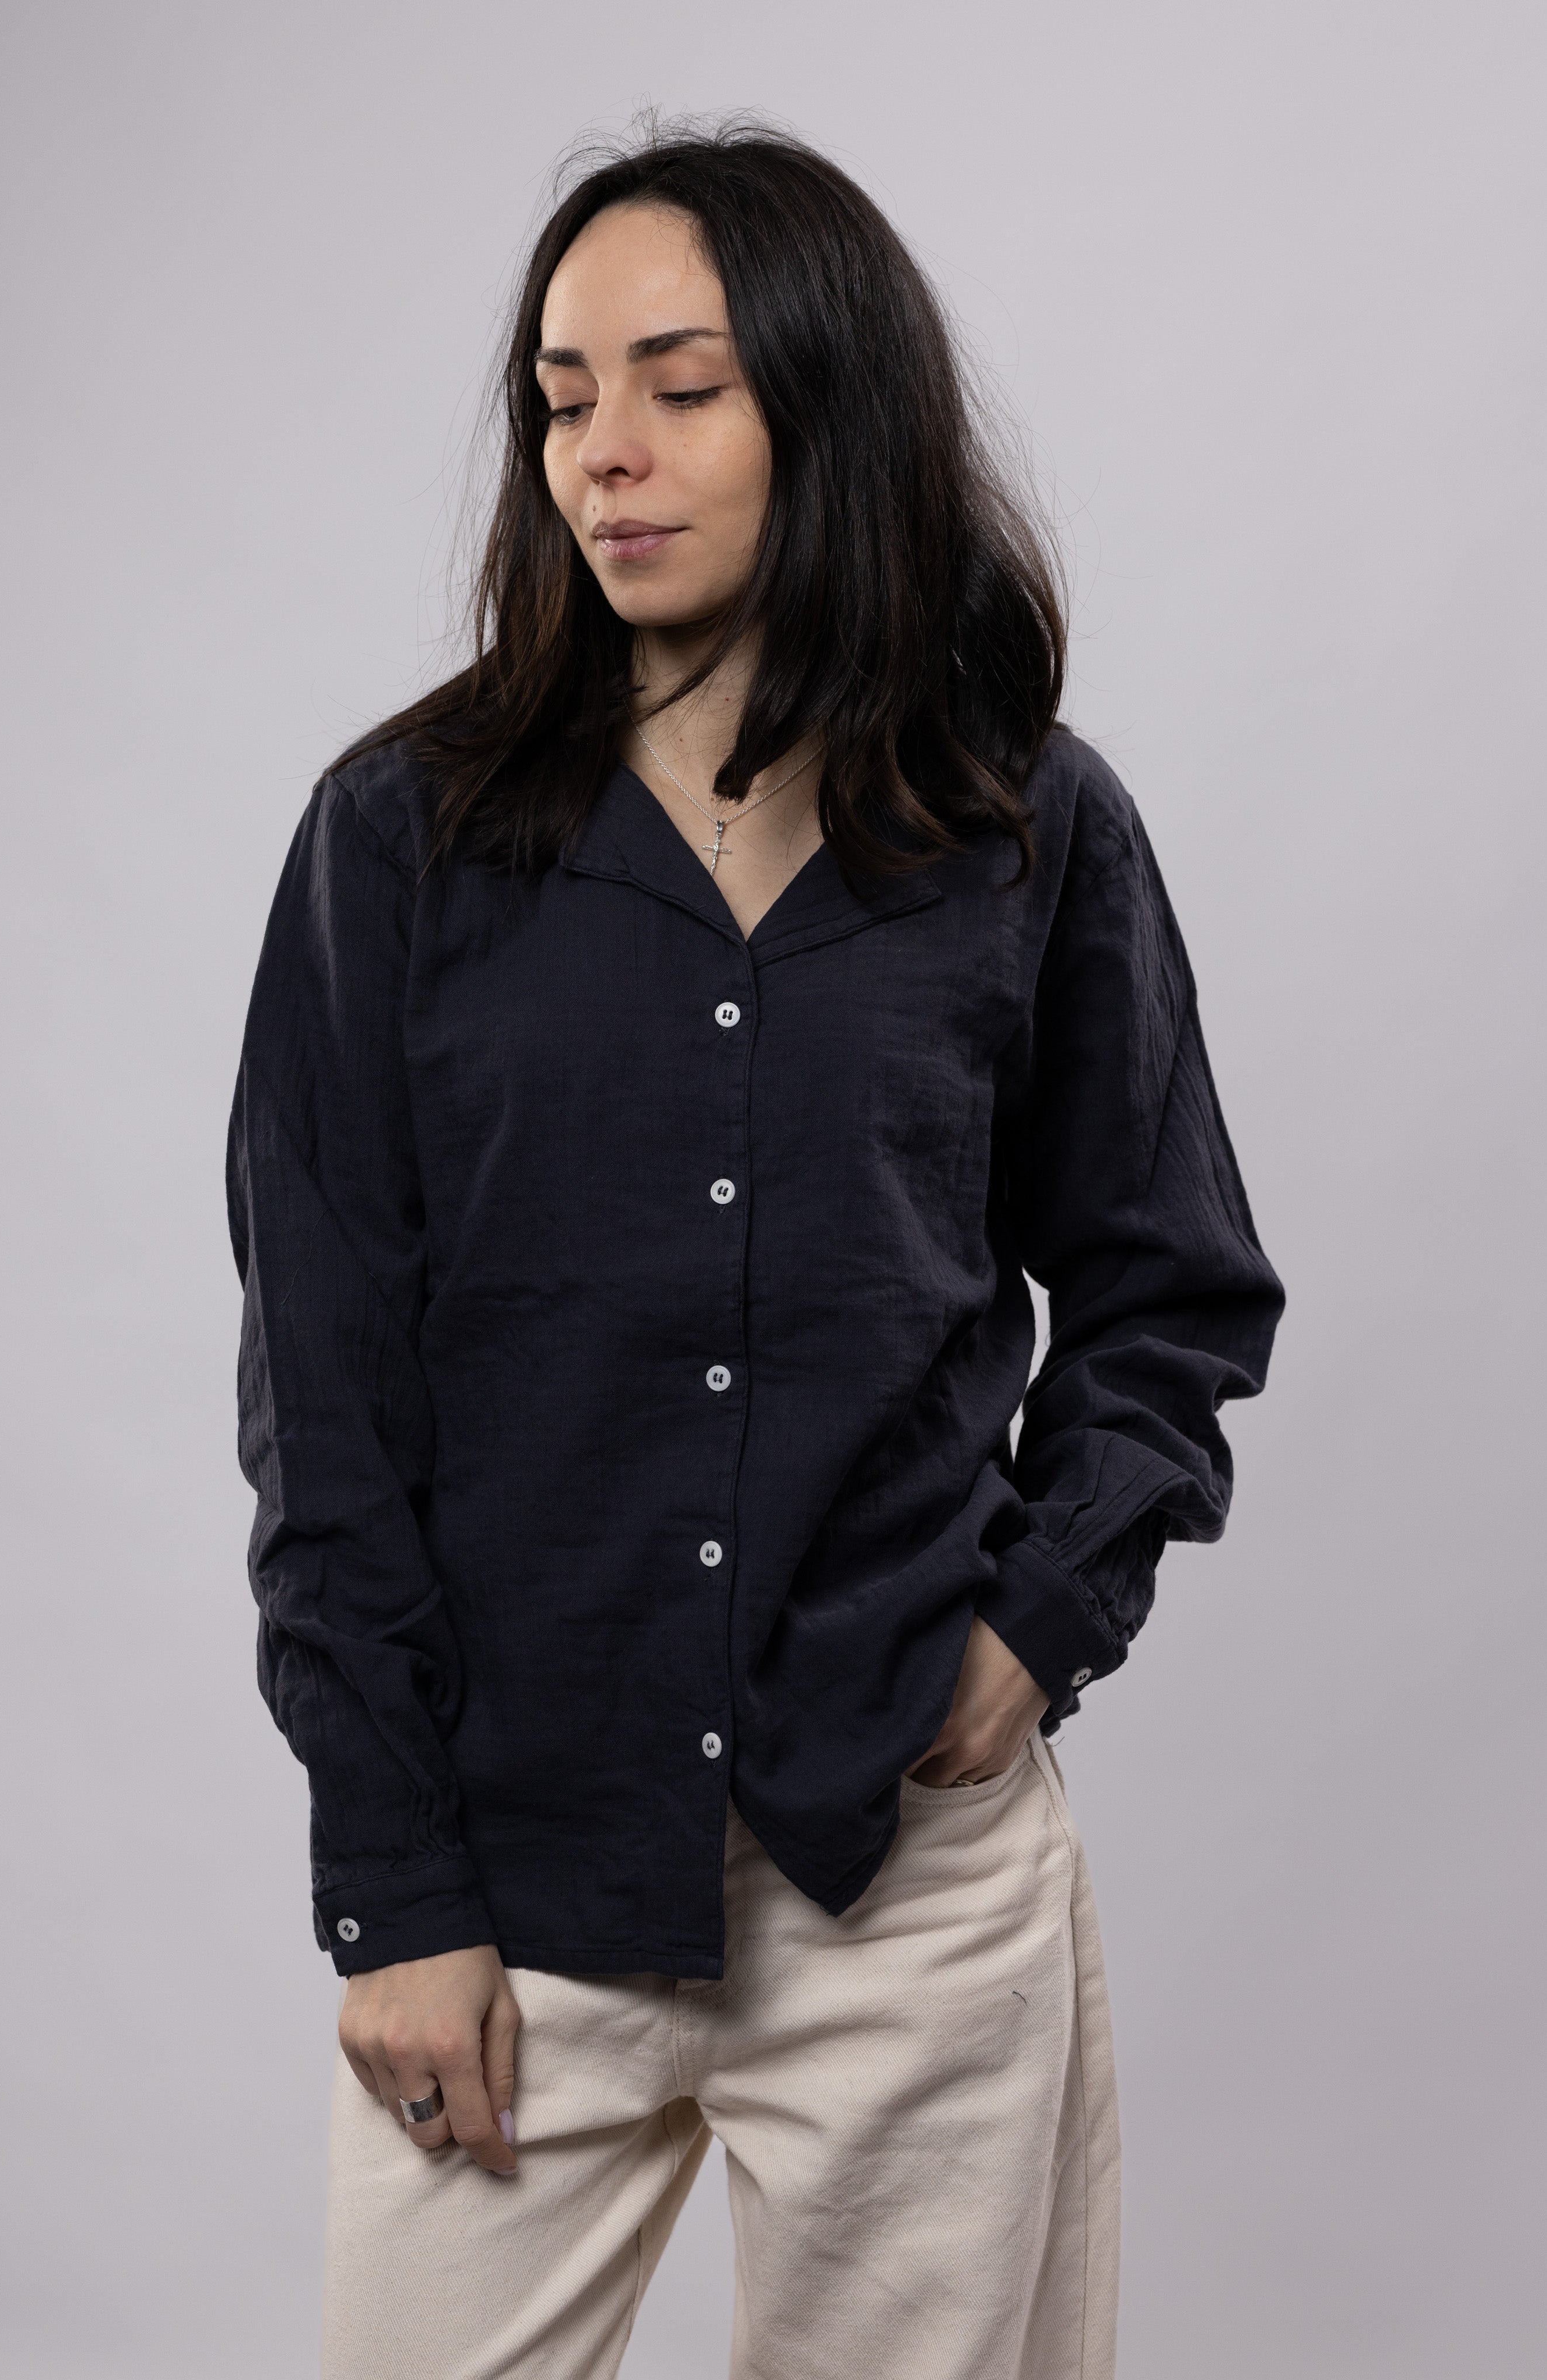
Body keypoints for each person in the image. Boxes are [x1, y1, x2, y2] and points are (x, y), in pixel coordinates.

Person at [227, 121, 1283, 2380]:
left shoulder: (1026, 828)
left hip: (906, 1877)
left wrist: (1033, 1628)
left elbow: (1170, 1286)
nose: (600, 452)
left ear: (834, 401)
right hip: (513, 1878)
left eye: (679, 385)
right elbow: (328, 1395)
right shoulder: (398, 844)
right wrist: (393, 1887)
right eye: (560, 396)